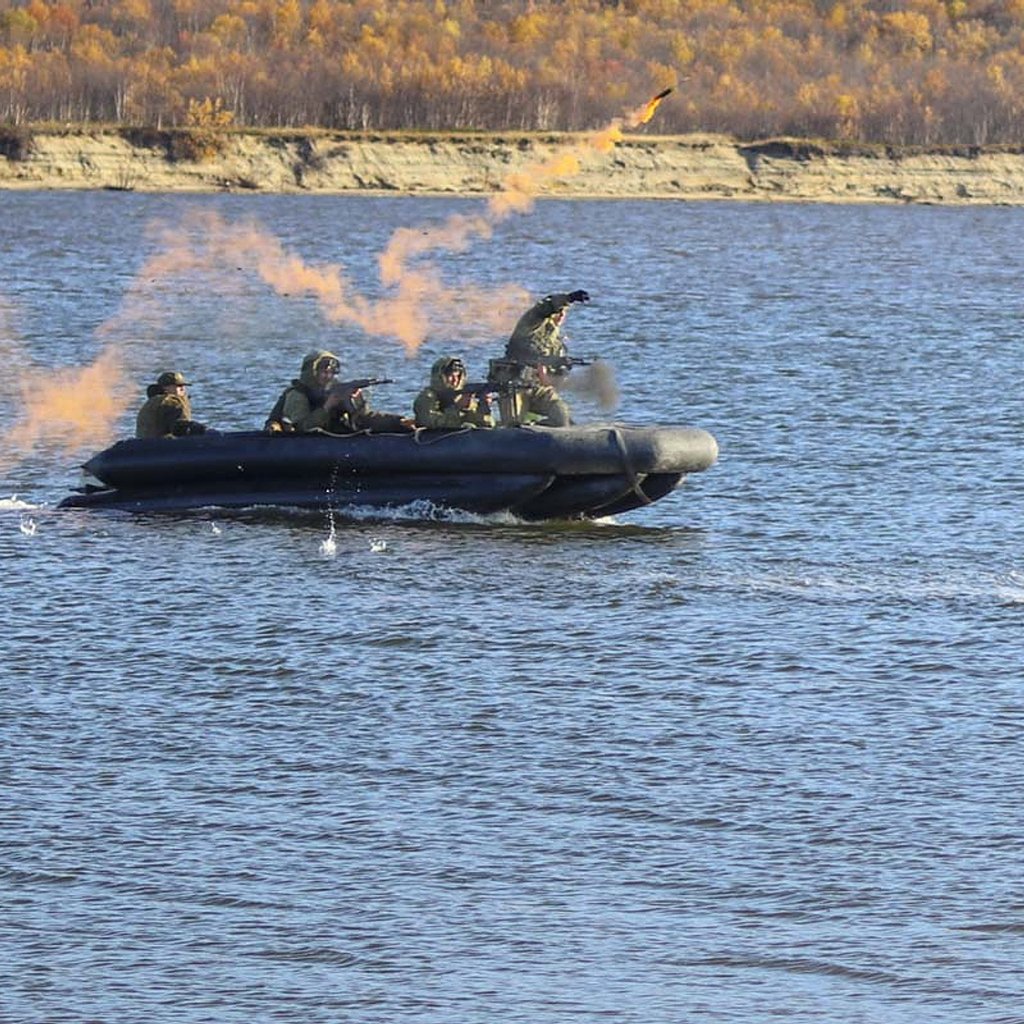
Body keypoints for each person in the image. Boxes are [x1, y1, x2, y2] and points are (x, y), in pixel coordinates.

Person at [491, 289, 590, 427]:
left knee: (562, 417)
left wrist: (560, 371)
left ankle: (534, 429)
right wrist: (568, 299)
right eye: (558, 311)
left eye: (564, 313)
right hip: (513, 385)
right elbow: (542, 309)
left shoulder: (556, 342)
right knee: (513, 427)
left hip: (537, 387)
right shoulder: (531, 326)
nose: (561, 315)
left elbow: (553, 376)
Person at [265, 350, 413, 434]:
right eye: (323, 372)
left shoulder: (334, 389)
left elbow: (364, 419)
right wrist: (326, 407)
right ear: (312, 372)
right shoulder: (297, 395)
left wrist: (397, 421)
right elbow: (303, 429)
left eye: (330, 373)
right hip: (312, 445)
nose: (327, 377)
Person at [413, 356, 494, 429]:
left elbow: (486, 424)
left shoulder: (461, 396)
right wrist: (457, 408)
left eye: (458, 376)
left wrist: (483, 406)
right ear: (440, 377)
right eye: (451, 376)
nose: (455, 380)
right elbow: (431, 422)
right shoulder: (427, 397)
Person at [135, 371, 207, 438]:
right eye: (178, 386)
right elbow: (178, 428)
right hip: (162, 446)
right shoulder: (172, 402)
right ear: (165, 387)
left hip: (145, 443)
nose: (182, 389)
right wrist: (196, 428)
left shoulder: (153, 400)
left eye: (183, 386)